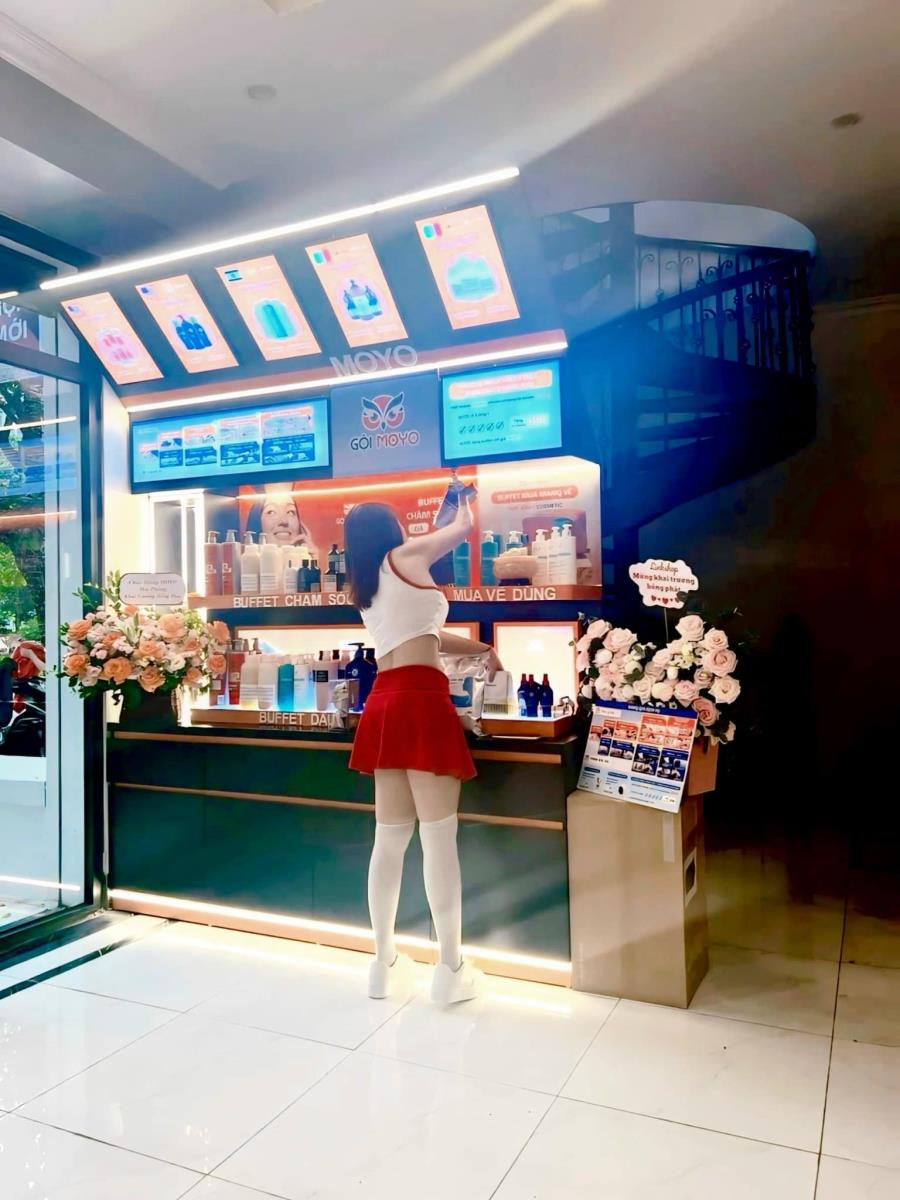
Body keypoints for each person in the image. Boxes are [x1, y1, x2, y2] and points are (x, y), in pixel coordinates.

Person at [344, 497, 499, 1006]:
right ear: (391, 530)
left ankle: (383, 965)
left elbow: (425, 634)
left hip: (384, 701)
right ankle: (450, 970)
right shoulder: (403, 558)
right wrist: (460, 500)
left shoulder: (366, 582)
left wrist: (482, 649)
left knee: (388, 841)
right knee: (438, 839)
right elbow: (462, 528)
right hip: (422, 700)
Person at [246, 491, 318, 558]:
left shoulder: (304, 561)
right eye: (271, 512)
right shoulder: (247, 563)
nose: (284, 521)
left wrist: (313, 561)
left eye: (290, 512)